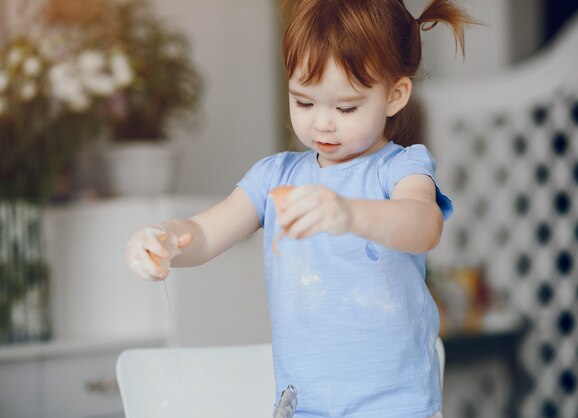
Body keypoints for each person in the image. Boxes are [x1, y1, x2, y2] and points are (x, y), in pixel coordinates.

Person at [125, 0, 475, 416]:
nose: (322, 124)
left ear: (395, 95)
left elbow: (424, 224)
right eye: (304, 102)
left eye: (346, 107)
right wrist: (163, 240)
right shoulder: (275, 177)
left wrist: (350, 214)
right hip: (305, 406)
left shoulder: (399, 168)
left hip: (395, 405)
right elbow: (204, 234)